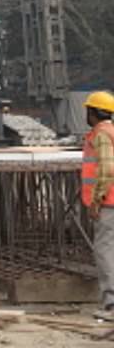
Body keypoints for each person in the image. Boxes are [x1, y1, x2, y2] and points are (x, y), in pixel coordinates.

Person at [82, 90, 114, 321]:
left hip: (109, 203)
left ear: (93, 112)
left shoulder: (101, 134)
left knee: (104, 250)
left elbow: (106, 169)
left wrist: (97, 200)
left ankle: (111, 303)